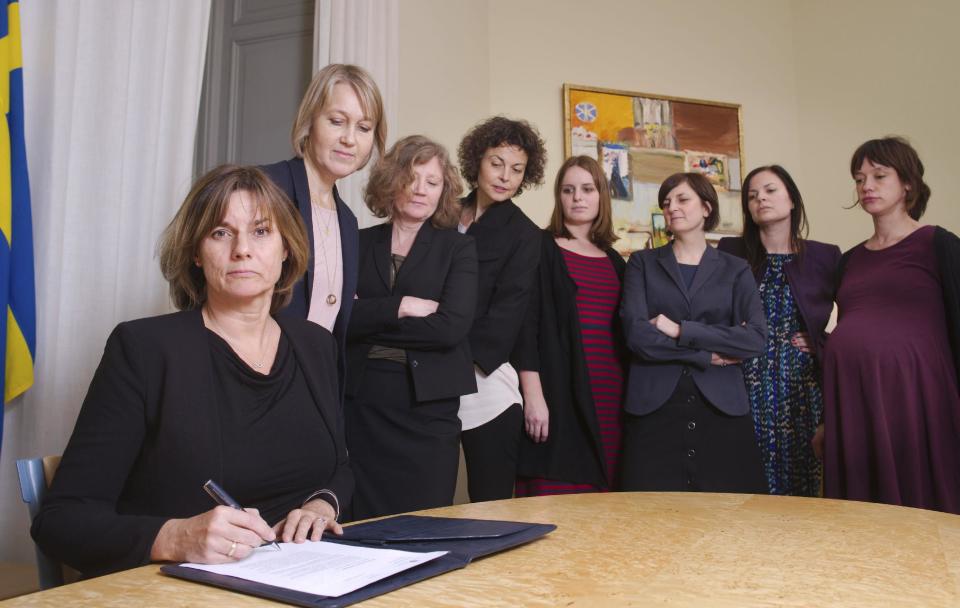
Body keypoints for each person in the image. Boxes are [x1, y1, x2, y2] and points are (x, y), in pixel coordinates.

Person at [31, 166, 353, 578]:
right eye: (221, 232)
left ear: (286, 247)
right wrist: (177, 537)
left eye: (260, 231)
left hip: (308, 575)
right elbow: (60, 521)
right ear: (197, 253)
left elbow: (339, 466)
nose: (242, 249)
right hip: (185, 589)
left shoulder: (316, 345)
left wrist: (321, 504)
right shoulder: (144, 350)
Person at [822, 136, 960, 513]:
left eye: (879, 176)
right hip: (854, 399)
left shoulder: (938, 244)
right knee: (865, 514)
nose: (866, 186)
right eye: (859, 178)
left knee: (924, 507)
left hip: (917, 398)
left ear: (908, 184)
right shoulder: (848, 260)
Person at [345, 136, 478, 519]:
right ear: (391, 181)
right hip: (363, 402)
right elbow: (339, 320)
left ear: (444, 191)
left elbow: (451, 328)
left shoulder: (458, 248)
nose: (420, 190)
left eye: (432, 182)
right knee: (361, 525)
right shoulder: (356, 242)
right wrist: (402, 306)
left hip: (428, 408)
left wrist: (370, 315)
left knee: (427, 521)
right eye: (411, 177)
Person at [619, 172, 768, 493]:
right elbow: (637, 335)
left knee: (728, 516)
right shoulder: (641, 264)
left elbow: (755, 339)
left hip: (722, 406)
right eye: (666, 202)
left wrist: (680, 329)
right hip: (654, 405)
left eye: (682, 199)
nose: (672, 207)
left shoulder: (735, 268)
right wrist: (707, 354)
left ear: (706, 207)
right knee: (650, 515)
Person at [262, 63, 387, 391]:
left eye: (363, 127)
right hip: (258, 381)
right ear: (310, 122)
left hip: (315, 385)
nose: (349, 139)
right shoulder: (266, 187)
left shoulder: (347, 221)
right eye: (336, 121)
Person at [717, 165, 840, 496]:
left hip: (799, 386)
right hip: (743, 381)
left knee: (801, 487)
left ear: (792, 200)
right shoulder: (730, 251)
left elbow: (858, 314)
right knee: (741, 487)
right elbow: (711, 311)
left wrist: (822, 342)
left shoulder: (824, 256)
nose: (761, 199)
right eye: (753, 195)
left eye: (770, 190)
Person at [515, 156, 626, 495]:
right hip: (558, 397)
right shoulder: (540, 247)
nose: (578, 197)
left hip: (611, 399)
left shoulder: (615, 260)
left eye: (587, 189)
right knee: (557, 501)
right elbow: (525, 328)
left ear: (601, 196)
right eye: (568, 190)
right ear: (558, 197)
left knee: (607, 514)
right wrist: (533, 396)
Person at [456, 116, 547, 502]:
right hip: (427, 369)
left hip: (486, 377)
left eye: (517, 169)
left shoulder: (525, 234)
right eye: (496, 163)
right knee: (428, 495)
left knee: (490, 502)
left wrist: (449, 353)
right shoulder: (442, 213)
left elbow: (511, 313)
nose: (505, 176)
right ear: (477, 160)